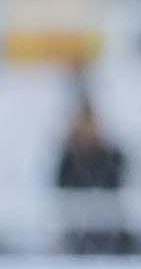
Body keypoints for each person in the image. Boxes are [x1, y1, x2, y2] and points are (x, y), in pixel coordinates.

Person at [54, 96, 131, 254]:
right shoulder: (69, 158)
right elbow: (62, 189)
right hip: (77, 228)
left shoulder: (111, 155)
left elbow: (117, 182)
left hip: (110, 226)